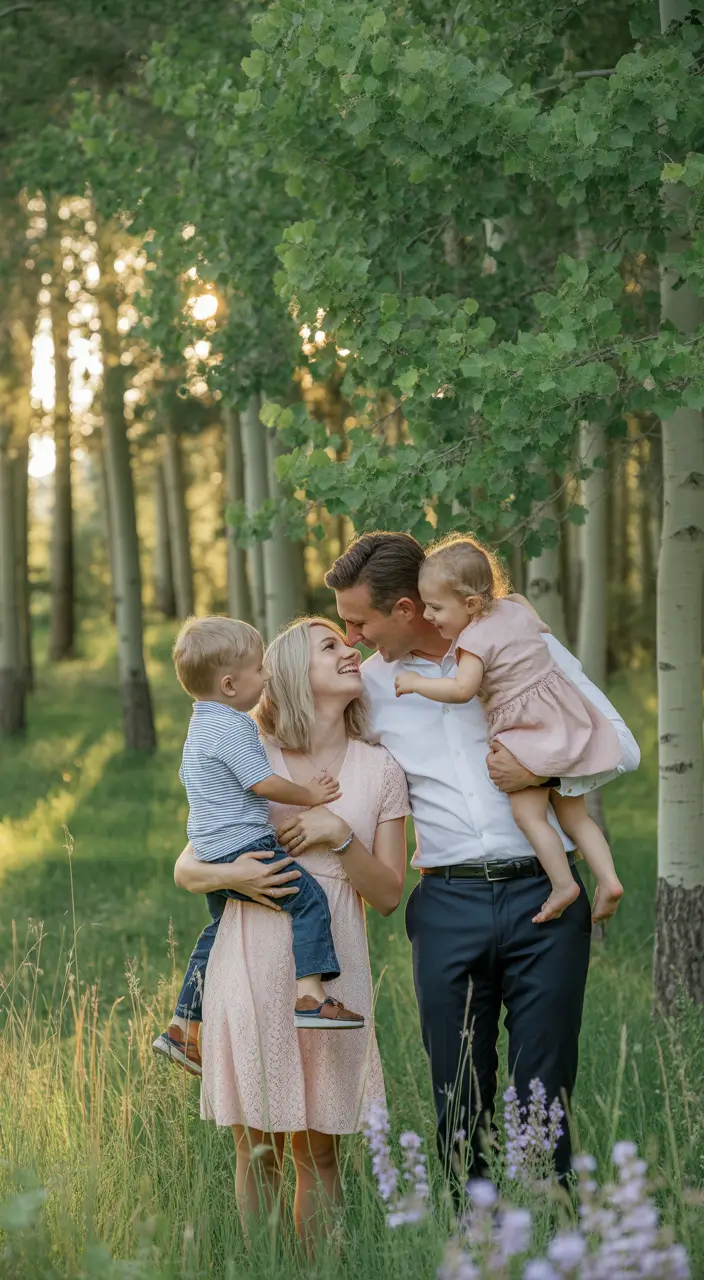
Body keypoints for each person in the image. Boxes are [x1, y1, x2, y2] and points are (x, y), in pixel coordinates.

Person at [325, 531, 640, 1181]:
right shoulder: (372, 689)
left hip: (543, 898)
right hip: (445, 904)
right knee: (457, 1094)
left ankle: (552, 1227)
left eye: (359, 621)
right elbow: (311, 755)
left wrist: (535, 773)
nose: (350, 636)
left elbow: (625, 747)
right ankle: (470, 1239)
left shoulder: (526, 649)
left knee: (543, 1092)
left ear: (407, 611)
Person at [172, 617, 410, 1245]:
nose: (350, 649)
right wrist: (240, 877)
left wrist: (340, 836)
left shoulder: (380, 768)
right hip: (249, 956)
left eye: (346, 641)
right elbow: (186, 865)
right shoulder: (253, 750)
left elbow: (388, 895)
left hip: (331, 972)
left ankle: (317, 1267)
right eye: (330, 645)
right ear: (287, 674)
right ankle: (262, 1264)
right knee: (257, 1149)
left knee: (319, 1153)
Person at [153, 615, 363, 1078]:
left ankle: (182, 1025)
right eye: (258, 670)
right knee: (309, 901)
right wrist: (309, 793)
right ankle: (310, 996)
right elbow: (262, 783)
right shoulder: (234, 727)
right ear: (230, 684)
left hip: (210, 848)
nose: (266, 676)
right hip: (242, 846)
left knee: (216, 931)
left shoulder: (200, 725)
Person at [394, 535, 625, 925]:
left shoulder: (472, 642)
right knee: (576, 817)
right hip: (564, 715)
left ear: (469, 604)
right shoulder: (514, 608)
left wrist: (416, 684)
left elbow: (461, 689)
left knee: (530, 815)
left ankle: (563, 883)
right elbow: (540, 624)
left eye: (435, 607)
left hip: (526, 730)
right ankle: (609, 878)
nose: (429, 616)